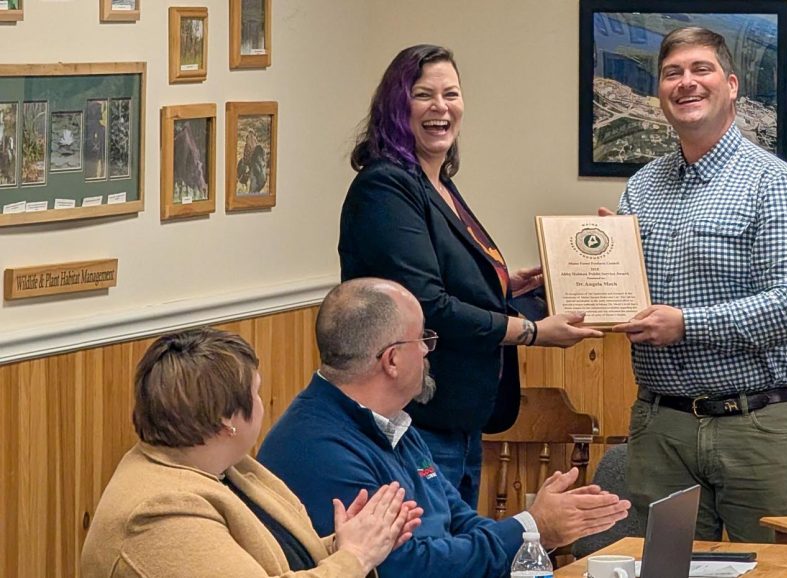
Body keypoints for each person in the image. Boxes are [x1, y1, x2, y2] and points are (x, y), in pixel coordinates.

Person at [338, 44, 602, 508]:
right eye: (424, 95)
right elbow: (426, 303)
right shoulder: (385, 185)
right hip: (419, 416)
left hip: (460, 420)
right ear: (396, 106)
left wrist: (504, 286)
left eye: (451, 94)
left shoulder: (437, 183)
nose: (441, 108)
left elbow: (447, 277)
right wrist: (532, 331)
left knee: (462, 550)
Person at [606, 27, 787, 543]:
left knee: (772, 572)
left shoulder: (777, 185)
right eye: (672, 73)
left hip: (759, 426)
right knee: (663, 571)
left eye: (700, 69)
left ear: (731, 86)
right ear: (659, 92)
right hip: (662, 427)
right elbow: (628, 297)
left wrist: (685, 325)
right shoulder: (641, 187)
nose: (686, 83)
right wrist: (601, 262)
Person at [258, 279, 630, 578]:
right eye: (423, 339)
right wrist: (533, 528)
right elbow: (406, 567)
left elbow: (456, 519)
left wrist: (532, 532)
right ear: (392, 359)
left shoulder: (392, 420)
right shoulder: (320, 450)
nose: (427, 351)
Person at [80, 327, 423, 578]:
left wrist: (350, 543)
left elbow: (275, 561)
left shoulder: (229, 467)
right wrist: (355, 557)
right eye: (257, 392)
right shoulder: (158, 513)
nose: (262, 404)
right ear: (226, 420)